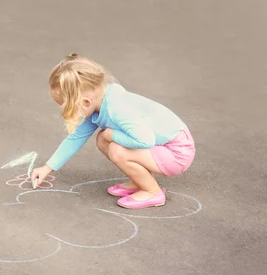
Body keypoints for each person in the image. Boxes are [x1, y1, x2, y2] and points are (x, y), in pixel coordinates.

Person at [31, 53, 195, 209]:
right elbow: (76, 138)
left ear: (85, 102)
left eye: (67, 108)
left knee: (114, 146)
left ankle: (152, 191)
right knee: (103, 139)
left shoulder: (118, 109)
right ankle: (139, 181)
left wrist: (112, 134)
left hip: (177, 153)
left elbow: (146, 140)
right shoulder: (100, 103)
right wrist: (47, 167)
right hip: (162, 148)